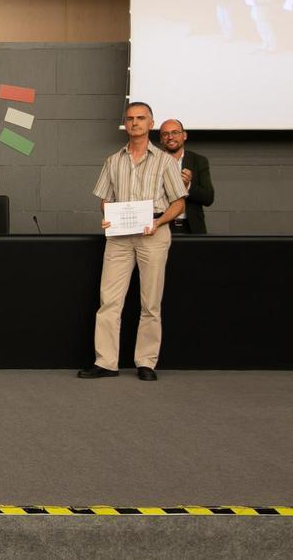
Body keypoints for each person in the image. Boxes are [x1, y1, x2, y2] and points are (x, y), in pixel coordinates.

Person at [79, 102, 187, 382]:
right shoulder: (113, 160)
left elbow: (177, 202)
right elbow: (106, 199)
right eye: (130, 119)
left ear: (151, 124)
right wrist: (109, 216)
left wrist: (159, 223)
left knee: (150, 302)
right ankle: (106, 361)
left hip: (154, 232)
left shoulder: (165, 161)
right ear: (124, 124)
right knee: (109, 301)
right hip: (119, 238)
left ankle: (146, 362)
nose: (135, 123)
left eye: (141, 118)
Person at [157, 119, 214, 234]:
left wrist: (188, 186)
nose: (170, 137)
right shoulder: (153, 162)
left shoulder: (199, 161)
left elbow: (208, 198)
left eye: (175, 133)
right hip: (161, 227)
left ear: (184, 135)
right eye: (165, 134)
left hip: (192, 228)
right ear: (161, 139)